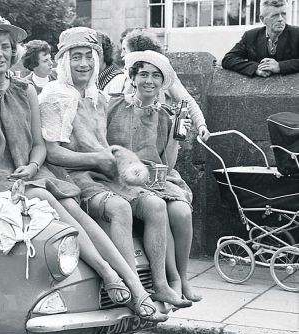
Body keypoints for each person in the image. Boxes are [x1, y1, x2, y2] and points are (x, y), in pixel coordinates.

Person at [0, 17, 156, 314]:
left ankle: (135, 285)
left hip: (30, 172)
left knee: (72, 207)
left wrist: (33, 167)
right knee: (49, 198)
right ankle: (108, 273)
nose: (0, 54)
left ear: (13, 52)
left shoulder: (25, 89)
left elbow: (37, 143)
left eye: (6, 48)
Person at [39, 27, 193, 311]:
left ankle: (160, 286)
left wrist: (117, 159)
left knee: (157, 205)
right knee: (120, 209)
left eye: (89, 56)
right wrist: (97, 160)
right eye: (76, 57)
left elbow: (108, 141)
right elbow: (52, 152)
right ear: (64, 62)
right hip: (74, 177)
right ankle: (135, 289)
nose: (84, 63)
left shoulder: (97, 96)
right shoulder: (56, 94)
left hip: (106, 174)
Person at [106, 50, 202, 303]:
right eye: (144, 74)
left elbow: (168, 166)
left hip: (159, 176)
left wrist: (175, 138)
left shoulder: (165, 115)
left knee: (181, 212)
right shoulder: (113, 105)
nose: (149, 81)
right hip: (121, 176)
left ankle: (183, 277)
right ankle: (172, 281)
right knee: (158, 208)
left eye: (156, 76)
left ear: (162, 82)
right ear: (133, 78)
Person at [104, 29, 211, 141]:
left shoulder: (161, 73)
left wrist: (201, 125)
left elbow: (186, 100)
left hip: (154, 135)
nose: (121, 54)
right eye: (143, 75)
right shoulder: (125, 75)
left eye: (125, 49)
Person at [222, 0, 299, 77]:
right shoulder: (250, 36)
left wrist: (280, 66)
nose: (280, 19)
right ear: (262, 19)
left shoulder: (297, 33)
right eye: (275, 15)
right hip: (260, 87)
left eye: (283, 14)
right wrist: (256, 68)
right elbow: (228, 59)